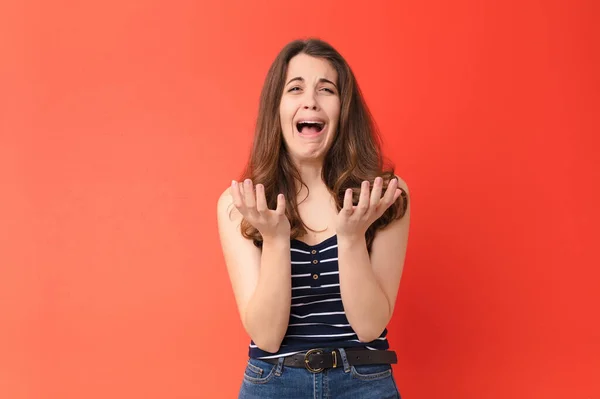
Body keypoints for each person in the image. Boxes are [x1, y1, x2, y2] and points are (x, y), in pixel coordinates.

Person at [217, 38, 410, 399]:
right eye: (295, 88)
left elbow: (369, 327)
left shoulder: (384, 195)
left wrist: (351, 239)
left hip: (364, 382)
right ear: (276, 107)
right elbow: (267, 335)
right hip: (273, 383)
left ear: (343, 108)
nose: (310, 100)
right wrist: (275, 240)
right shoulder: (240, 203)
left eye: (326, 89)